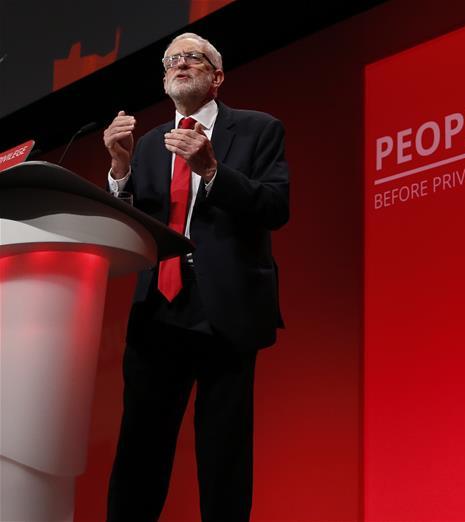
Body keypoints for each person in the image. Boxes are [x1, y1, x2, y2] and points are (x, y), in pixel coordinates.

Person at [102, 32, 289, 521]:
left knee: (224, 452)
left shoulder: (258, 129)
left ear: (217, 76)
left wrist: (212, 171)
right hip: (158, 307)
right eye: (171, 60)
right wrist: (120, 170)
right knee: (140, 447)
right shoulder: (147, 145)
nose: (180, 63)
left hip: (225, 306)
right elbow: (133, 226)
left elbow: (275, 206)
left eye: (193, 57)